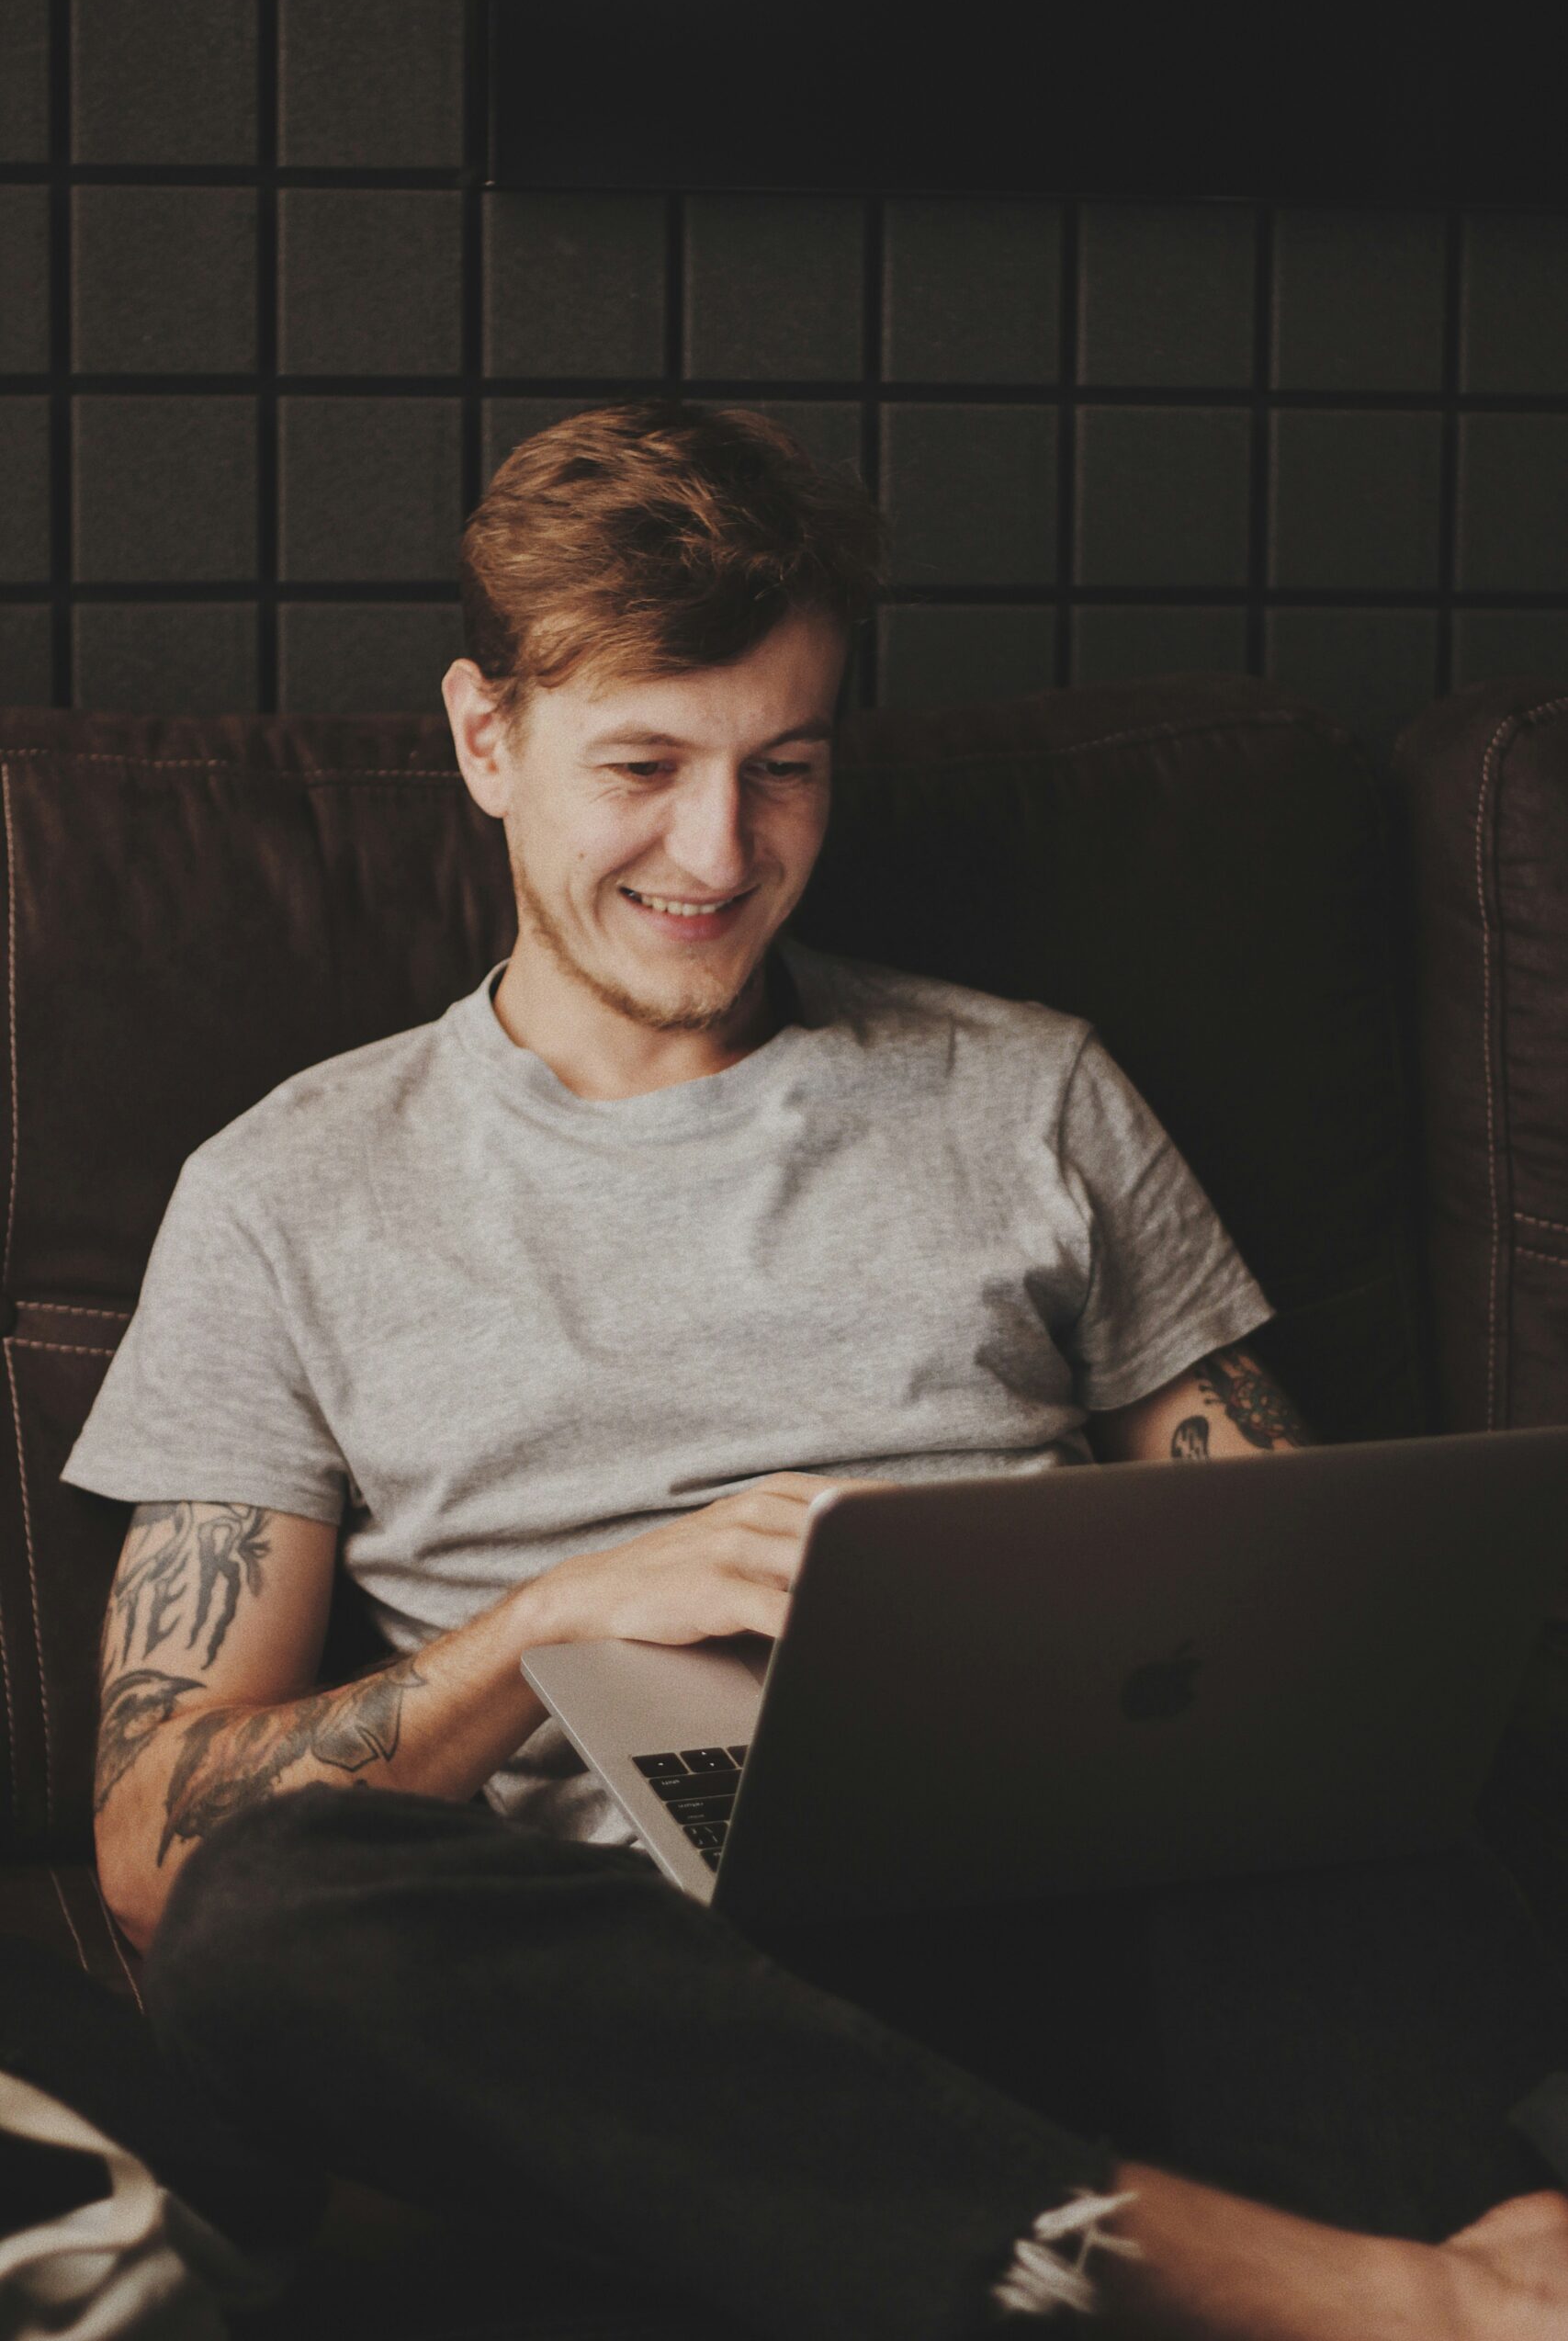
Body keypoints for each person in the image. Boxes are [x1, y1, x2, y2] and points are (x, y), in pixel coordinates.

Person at [63, 401, 1568, 2338]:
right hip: (664, 2016)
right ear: (482, 737)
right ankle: (1352, 2288)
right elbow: (152, 1846)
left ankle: (1410, 2250)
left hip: (1090, 1909)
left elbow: (1296, 1617)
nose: (717, 851)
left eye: (780, 767)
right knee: (273, 1922)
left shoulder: (1029, 1088)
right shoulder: (288, 1191)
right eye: (643, 765)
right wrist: (562, 1617)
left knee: (1395, 1761)